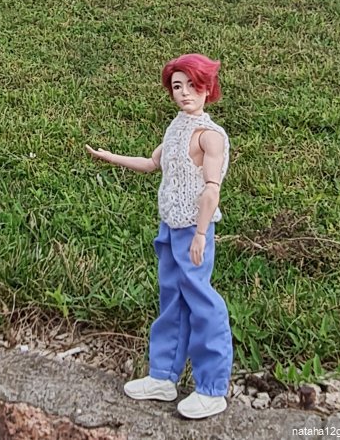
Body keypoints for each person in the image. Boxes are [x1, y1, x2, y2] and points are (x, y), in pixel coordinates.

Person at [84, 53, 232, 420]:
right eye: (177, 86)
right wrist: (110, 157)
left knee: (202, 302)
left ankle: (212, 387)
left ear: (208, 88)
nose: (184, 94)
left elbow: (211, 189)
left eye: (192, 86)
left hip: (193, 230)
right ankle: (163, 376)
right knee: (171, 301)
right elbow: (153, 164)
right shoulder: (177, 128)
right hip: (170, 227)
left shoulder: (210, 137)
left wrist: (201, 234)